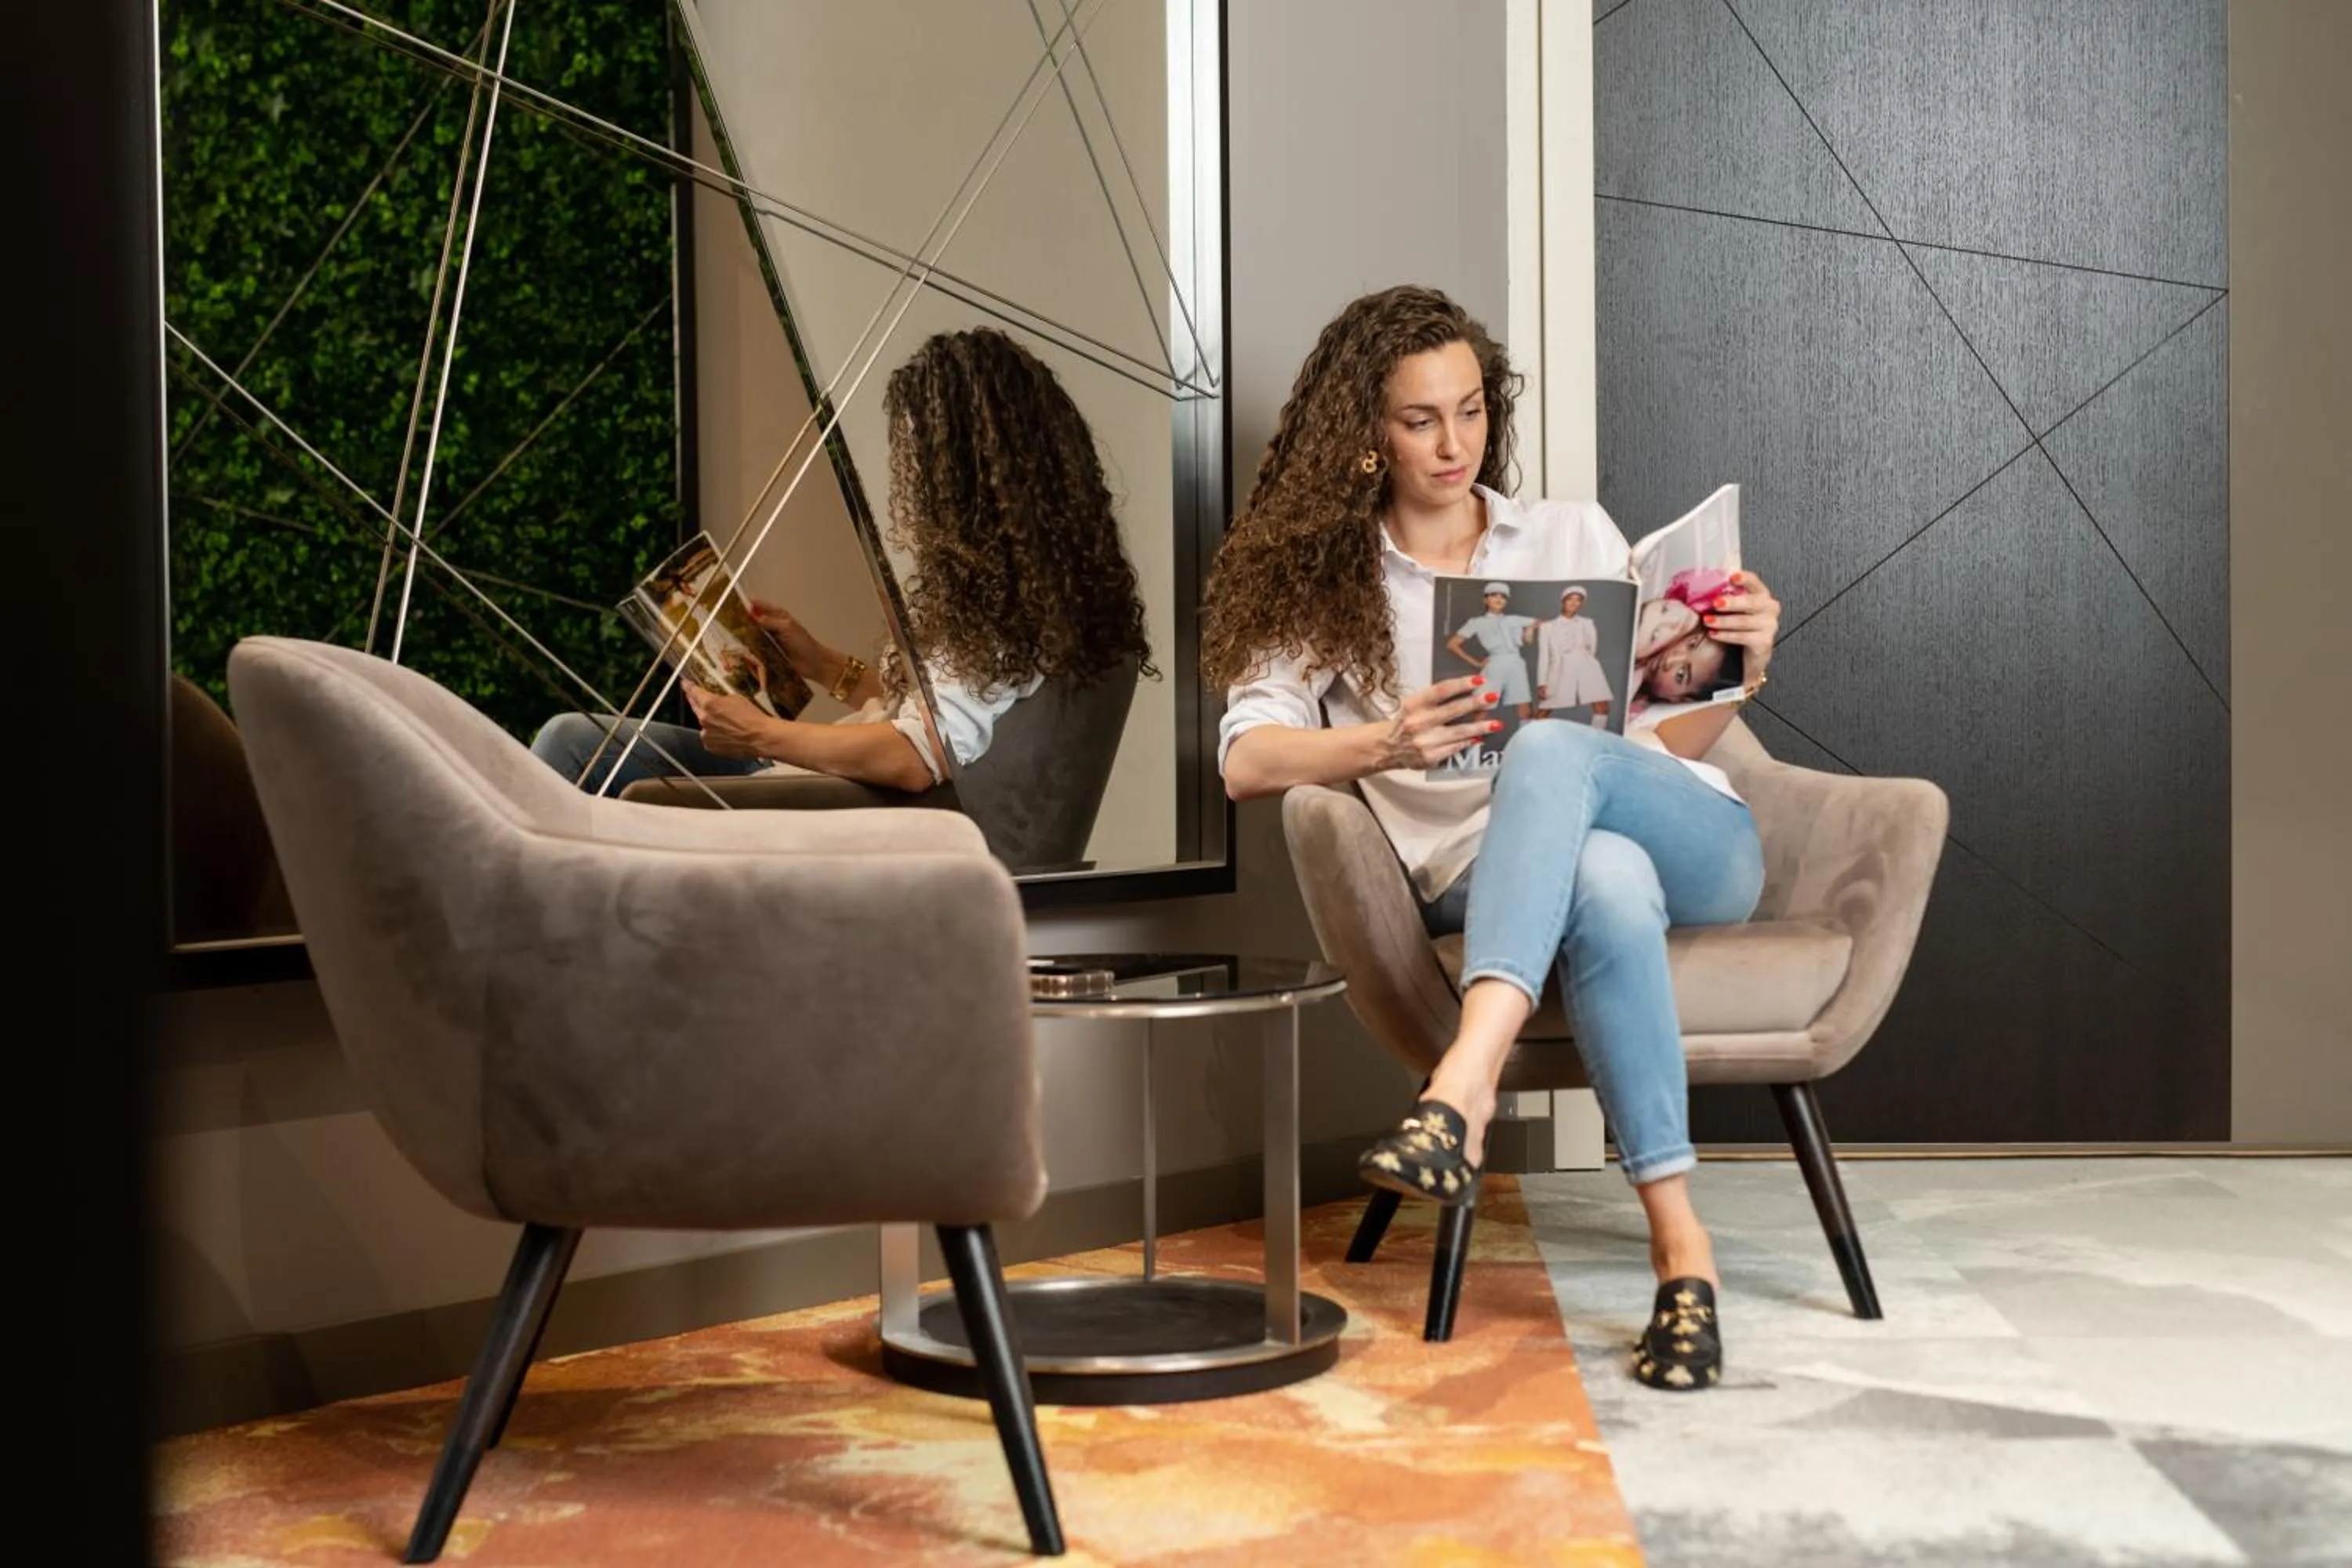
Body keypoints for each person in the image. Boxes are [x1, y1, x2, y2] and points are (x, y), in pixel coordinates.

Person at [1205, 285, 1781, 1392]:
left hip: (1694, 839)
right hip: (1485, 875)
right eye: (1421, 419)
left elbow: (1664, 733)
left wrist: (1744, 661)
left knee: (1559, 755)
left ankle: (1460, 1089)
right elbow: (1247, 761)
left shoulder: (1571, 535)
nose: (1453, 443)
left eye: (1470, 411)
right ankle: (1683, 1260)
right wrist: (1386, 741)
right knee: (1601, 877)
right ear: (1367, 429)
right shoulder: (1327, 586)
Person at [532, 327, 1155, 794]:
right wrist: (824, 663)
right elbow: (952, 719)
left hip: (835, 802)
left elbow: (917, 756)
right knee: (578, 742)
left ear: (961, 471)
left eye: (916, 457)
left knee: (571, 745)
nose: (907, 480)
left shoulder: (1006, 614)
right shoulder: (1033, 596)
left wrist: (757, 734)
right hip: (832, 770)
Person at [1444, 583, 1538, 720]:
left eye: (1503, 597)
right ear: (1486, 600)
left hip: (1516, 663)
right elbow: (1452, 644)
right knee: (1483, 704)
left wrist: (1531, 629)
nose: (1499, 600)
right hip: (1495, 664)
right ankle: (1474, 740)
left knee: (1524, 706)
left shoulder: (1513, 619)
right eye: (1494, 596)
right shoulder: (1476, 622)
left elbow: (1541, 622)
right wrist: (1476, 663)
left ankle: (1527, 738)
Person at [1536, 586, 1613, 728]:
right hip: (1560, 667)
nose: (1573, 603)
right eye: (1570, 599)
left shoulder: (1587, 623)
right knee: (1545, 709)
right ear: (1563, 601)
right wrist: (1542, 682)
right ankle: (1530, 739)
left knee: (1602, 706)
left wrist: (1584, 660)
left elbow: (1592, 648)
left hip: (1586, 664)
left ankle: (1595, 741)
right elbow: (1544, 656)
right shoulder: (1548, 627)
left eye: (1578, 600)